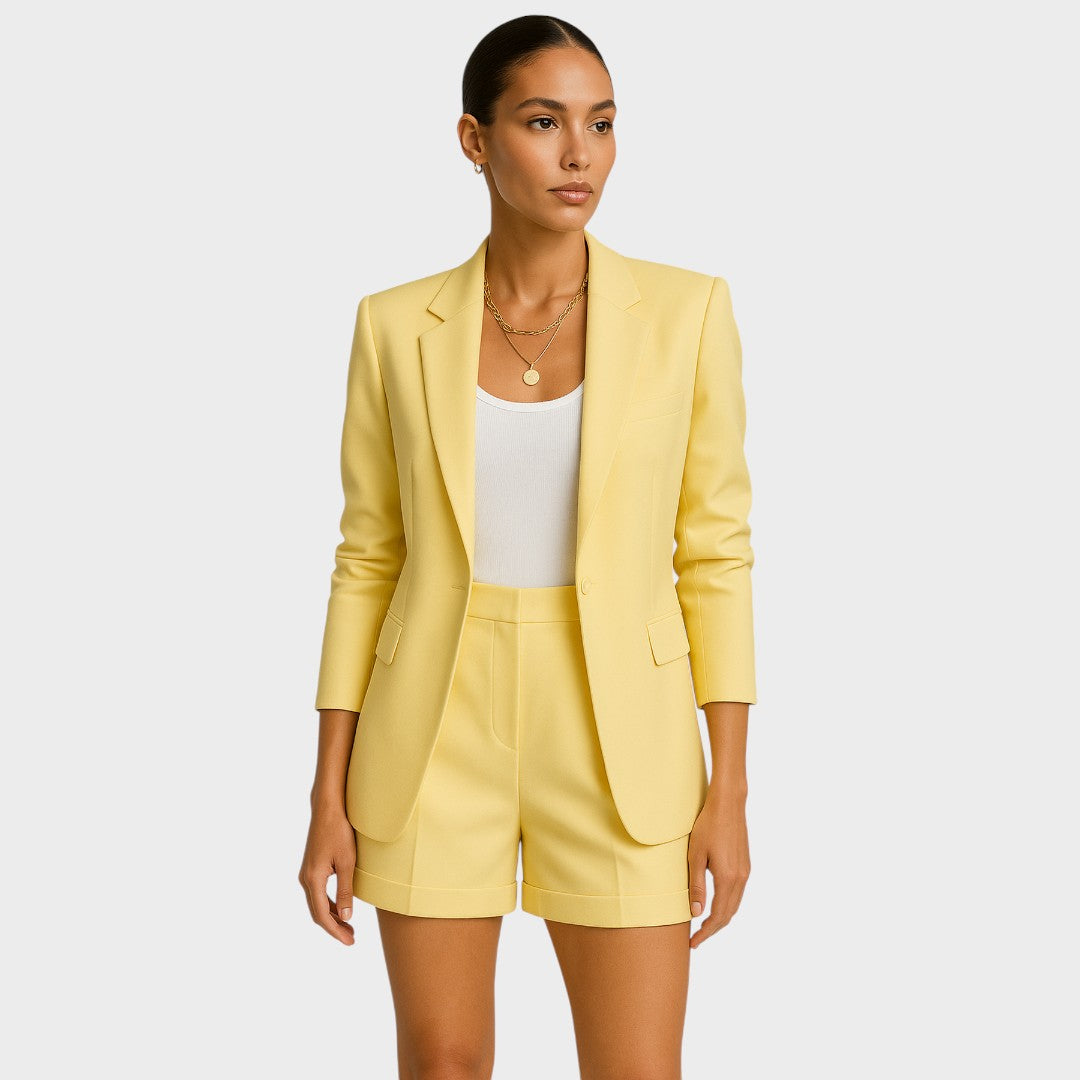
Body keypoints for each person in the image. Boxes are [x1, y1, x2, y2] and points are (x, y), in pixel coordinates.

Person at [299, 14, 757, 1078]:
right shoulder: (392, 324)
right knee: (444, 1063)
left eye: (601, 123)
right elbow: (367, 560)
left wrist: (728, 789)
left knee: (634, 1069)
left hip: (621, 734)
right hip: (432, 728)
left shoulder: (687, 312)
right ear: (475, 139)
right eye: (543, 122)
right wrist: (326, 791)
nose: (579, 153)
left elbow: (717, 557)